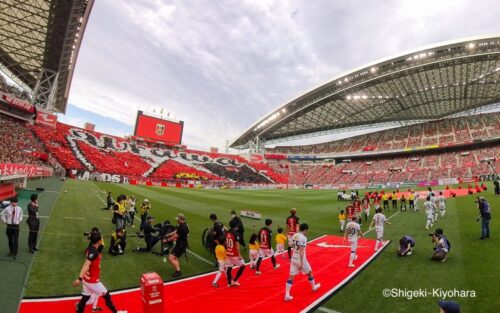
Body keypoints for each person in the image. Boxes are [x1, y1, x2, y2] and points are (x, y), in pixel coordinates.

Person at [72, 232, 127, 313]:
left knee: (84, 299)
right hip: (92, 281)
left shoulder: (89, 249)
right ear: (98, 241)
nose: (102, 240)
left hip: (86, 279)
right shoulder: (94, 252)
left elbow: (88, 264)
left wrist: (81, 278)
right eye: (101, 239)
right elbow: (86, 265)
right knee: (107, 296)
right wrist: (79, 279)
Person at [284, 223, 320, 301]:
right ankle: (313, 287)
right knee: (309, 272)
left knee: (291, 277)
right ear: (305, 230)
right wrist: (301, 262)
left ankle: (287, 294)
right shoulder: (303, 238)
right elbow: (301, 251)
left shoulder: (294, 235)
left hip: (293, 257)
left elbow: (292, 245)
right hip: (300, 259)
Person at [224, 219, 246, 286]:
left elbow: (225, 243)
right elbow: (237, 245)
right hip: (234, 254)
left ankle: (229, 283)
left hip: (228, 253)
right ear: (236, 225)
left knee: (229, 267)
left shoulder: (227, 232)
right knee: (243, 265)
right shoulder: (236, 233)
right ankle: (234, 280)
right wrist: (239, 254)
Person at [167, 213, 189, 277]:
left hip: (181, 245)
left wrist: (167, 240)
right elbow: (176, 232)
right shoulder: (183, 225)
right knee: (175, 257)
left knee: (171, 258)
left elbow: (176, 236)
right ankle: (178, 270)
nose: (177, 221)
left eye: (178, 219)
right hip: (181, 244)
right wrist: (169, 235)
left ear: (182, 219)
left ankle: (178, 271)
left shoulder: (183, 227)